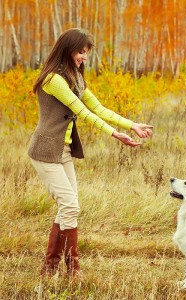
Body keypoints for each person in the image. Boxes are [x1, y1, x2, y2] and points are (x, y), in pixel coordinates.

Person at [28, 28, 153, 278]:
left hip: (62, 151)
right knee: (71, 206)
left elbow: (98, 107)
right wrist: (114, 134)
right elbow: (81, 111)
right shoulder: (54, 80)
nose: (84, 57)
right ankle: (72, 269)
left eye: (86, 53)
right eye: (81, 52)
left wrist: (131, 125)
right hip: (45, 151)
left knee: (68, 207)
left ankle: (51, 267)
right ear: (68, 50)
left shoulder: (75, 77)